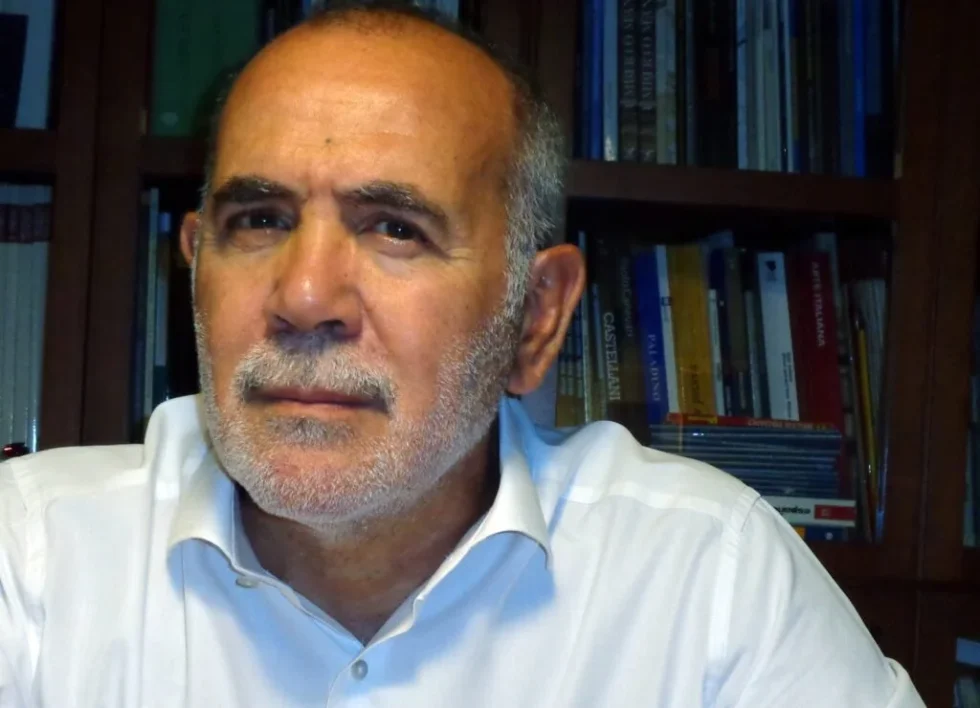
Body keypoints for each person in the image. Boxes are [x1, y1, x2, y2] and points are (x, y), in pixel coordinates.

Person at [0, 2, 925, 706]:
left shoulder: (706, 577)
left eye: (395, 229)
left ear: (535, 317)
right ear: (196, 268)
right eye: (261, 220)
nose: (304, 298)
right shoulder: (32, 556)